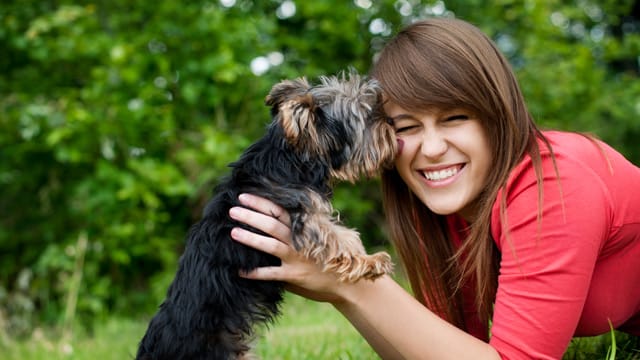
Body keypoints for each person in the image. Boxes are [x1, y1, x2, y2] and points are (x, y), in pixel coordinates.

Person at [227, 17, 640, 359]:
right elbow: (443, 349)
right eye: (406, 127)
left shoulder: (553, 185)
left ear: (497, 114)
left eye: (455, 117)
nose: (433, 149)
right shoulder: (442, 206)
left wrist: (348, 280)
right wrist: (345, 294)